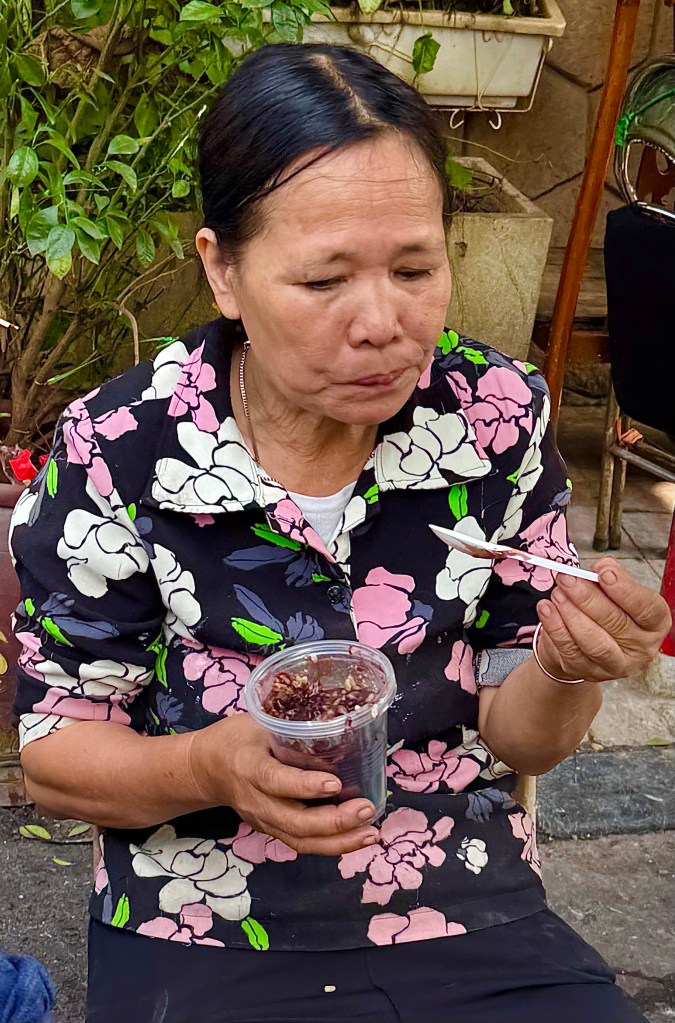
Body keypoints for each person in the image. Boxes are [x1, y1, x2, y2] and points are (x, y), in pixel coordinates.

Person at [10, 43, 671, 1023]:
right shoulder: (121, 446)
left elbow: (519, 731)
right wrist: (209, 765)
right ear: (223, 271)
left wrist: (567, 666)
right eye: (324, 281)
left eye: (415, 267)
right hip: (201, 903)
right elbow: (58, 753)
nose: (382, 323)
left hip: (454, 881)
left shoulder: (493, 415)